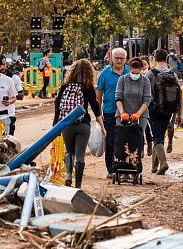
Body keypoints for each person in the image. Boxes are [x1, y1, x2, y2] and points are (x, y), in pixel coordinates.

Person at [53, 59, 104, 189]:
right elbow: (95, 107)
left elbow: (57, 105)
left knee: (69, 151)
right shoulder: (88, 87)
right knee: (80, 154)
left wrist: (56, 125)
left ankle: (69, 175)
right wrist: (102, 126)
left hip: (67, 124)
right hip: (83, 124)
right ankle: (78, 185)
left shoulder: (65, 86)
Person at [146, 49, 182, 175]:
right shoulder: (172, 74)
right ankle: (154, 166)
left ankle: (163, 163)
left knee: (156, 137)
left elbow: (145, 93)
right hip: (169, 109)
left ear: (155, 58)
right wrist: (179, 112)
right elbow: (179, 94)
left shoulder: (150, 74)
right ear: (166, 59)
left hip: (153, 108)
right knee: (160, 136)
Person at [96, 48, 129, 178]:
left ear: (125, 59)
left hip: (127, 113)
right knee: (110, 141)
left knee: (125, 141)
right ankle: (111, 169)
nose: (119, 61)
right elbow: (99, 93)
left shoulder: (129, 72)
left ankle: (125, 167)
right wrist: (98, 112)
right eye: (116, 58)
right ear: (112, 58)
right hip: (109, 112)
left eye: (121, 58)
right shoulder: (104, 73)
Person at [115, 57, 151, 146]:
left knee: (136, 139)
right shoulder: (122, 79)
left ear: (141, 70)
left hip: (141, 114)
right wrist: (122, 112)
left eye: (137, 73)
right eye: (133, 73)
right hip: (123, 113)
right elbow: (118, 97)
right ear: (129, 69)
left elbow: (147, 100)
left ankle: (138, 155)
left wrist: (138, 113)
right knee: (122, 139)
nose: (135, 74)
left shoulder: (145, 81)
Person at [1, 58, 24, 135]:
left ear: (6, 65)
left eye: (3, 64)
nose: (1, 67)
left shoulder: (13, 78)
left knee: (9, 141)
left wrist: (11, 97)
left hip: (9, 114)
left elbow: (21, 95)